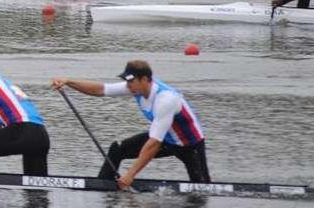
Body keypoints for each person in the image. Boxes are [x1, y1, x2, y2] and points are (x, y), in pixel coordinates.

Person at [51, 60, 210, 190]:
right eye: (126, 81)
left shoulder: (166, 99)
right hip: (166, 139)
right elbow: (101, 89)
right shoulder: (135, 88)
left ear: (145, 80)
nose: (127, 86)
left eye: (131, 81)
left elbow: (154, 143)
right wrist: (68, 82)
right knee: (117, 149)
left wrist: (130, 175)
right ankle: (103, 188)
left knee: (203, 191)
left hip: (190, 144)